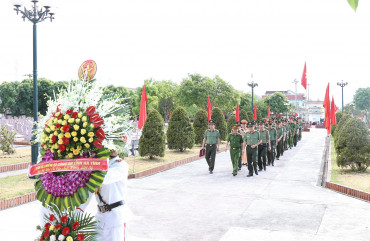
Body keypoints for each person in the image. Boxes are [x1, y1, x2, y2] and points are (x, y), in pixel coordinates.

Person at [95, 149, 129, 241]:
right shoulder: (97, 166)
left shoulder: (122, 165)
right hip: (100, 216)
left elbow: (106, 178)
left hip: (115, 217)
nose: (113, 149)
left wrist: (90, 167)